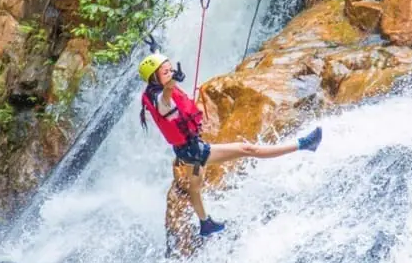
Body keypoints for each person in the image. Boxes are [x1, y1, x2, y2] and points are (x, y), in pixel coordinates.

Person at [138, 52, 323, 237]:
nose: (170, 73)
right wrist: (172, 80)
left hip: (185, 152)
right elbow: (166, 94)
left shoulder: (152, 92)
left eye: (171, 69)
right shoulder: (162, 101)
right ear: (154, 78)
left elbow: (165, 86)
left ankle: (205, 223)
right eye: (166, 72)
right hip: (195, 151)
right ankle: (304, 144)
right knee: (248, 149)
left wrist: (156, 52)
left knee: (195, 186)